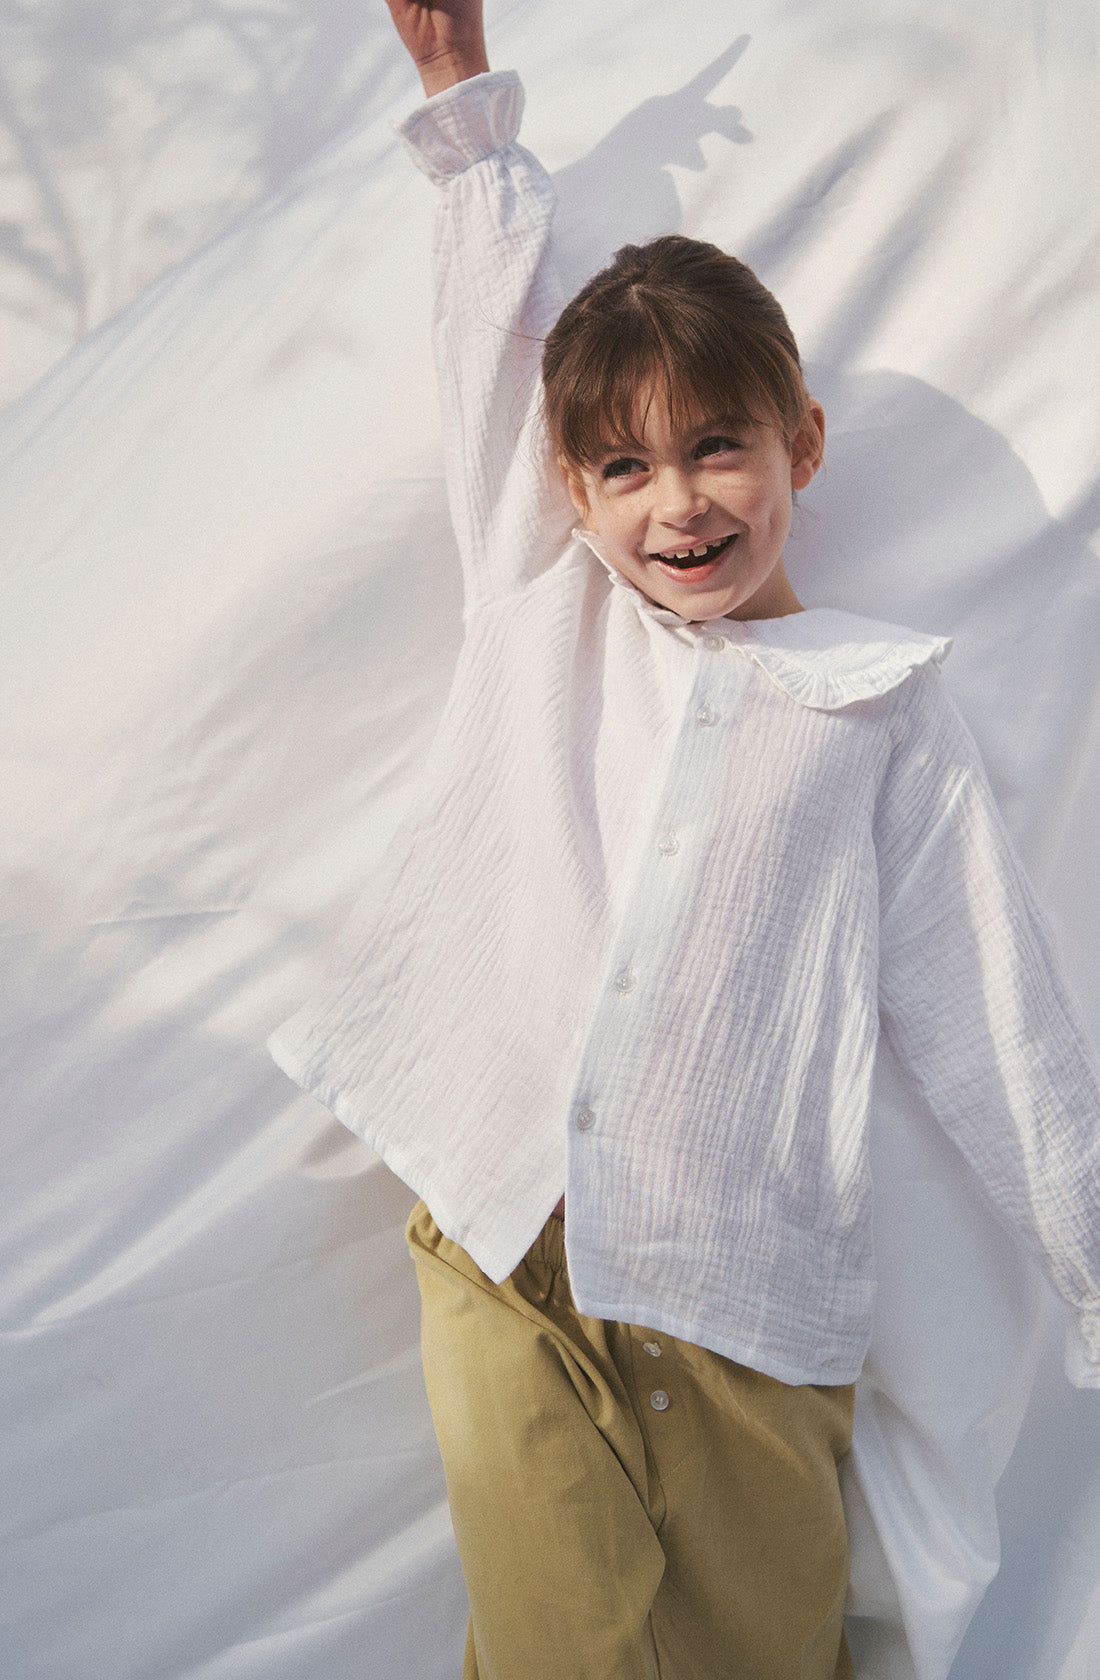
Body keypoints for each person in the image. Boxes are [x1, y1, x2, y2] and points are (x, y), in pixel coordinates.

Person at [269, 3, 1100, 1675]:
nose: (678, 504)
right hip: (511, 1235)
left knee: (758, 1652)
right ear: (569, 494)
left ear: (798, 441)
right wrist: (463, 113)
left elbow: (998, 1021)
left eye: (717, 444)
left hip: (746, 1307)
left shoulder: (880, 707)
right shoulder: (545, 600)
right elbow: (479, 345)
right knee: (560, 1639)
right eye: (627, 467)